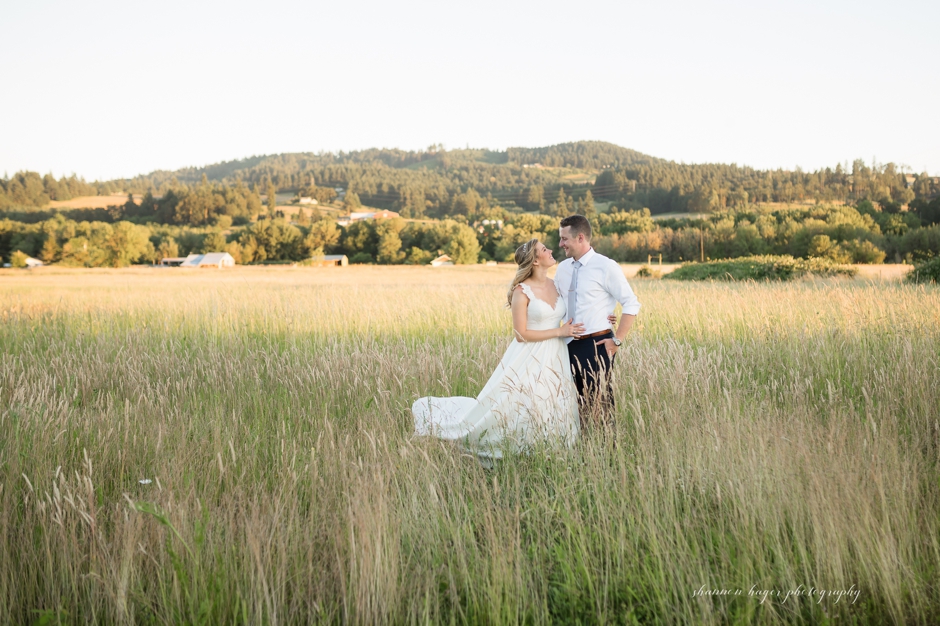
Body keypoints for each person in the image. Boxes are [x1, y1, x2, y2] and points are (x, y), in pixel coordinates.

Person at [412, 238, 583, 465]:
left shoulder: (556, 284)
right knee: (525, 402)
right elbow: (520, 334)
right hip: (529, 356)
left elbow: (581, 303)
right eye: (544, 249)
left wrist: (605, 318)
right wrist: (559, 332)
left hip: (556, 355)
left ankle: (551, 448)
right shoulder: (521, 293)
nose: (551, 250)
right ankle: (517, 446)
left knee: (554, 399)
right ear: (534, 261)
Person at [554, 214, 641, 428]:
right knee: (573, 405)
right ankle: (582, 453)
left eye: (564, 238)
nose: (560, 243)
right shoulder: (563, 269)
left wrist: (617, 340)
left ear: (580, 237)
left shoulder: (606, 266)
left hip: (597, 345)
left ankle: (606, 455)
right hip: (566, 345)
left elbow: (631, 303)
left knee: (600, 406)